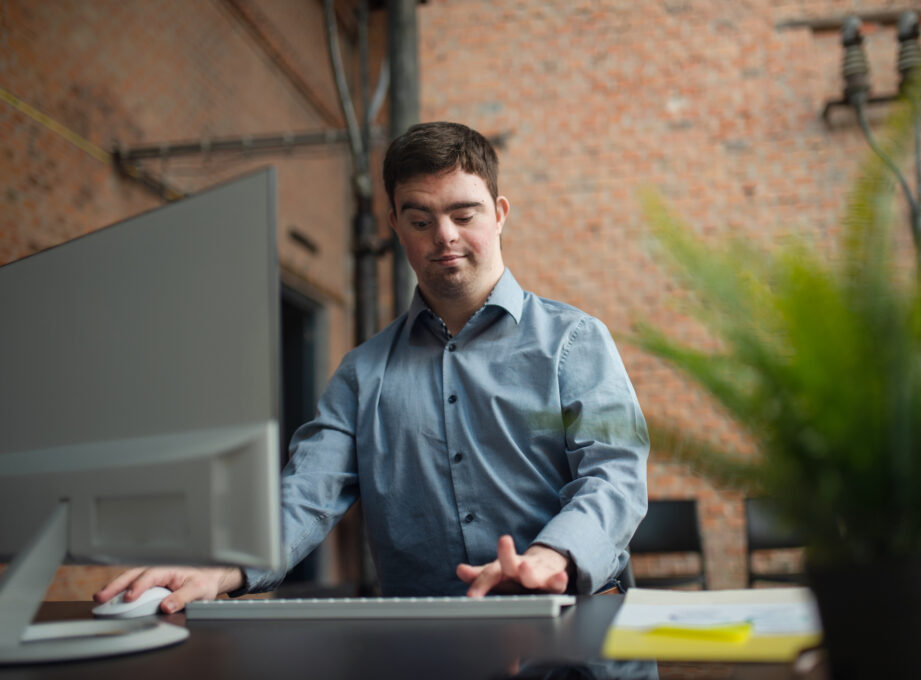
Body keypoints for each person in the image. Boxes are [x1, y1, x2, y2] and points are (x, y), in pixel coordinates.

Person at [96, 121, 649, 613]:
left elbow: (615, 475)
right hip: (430, 654)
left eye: (464, 213)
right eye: (420, 219)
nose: (445, 236)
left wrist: (553, 557)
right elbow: (306, 493)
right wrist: (221, 567)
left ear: (499, 214)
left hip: (580, 634)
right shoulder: (362, 374)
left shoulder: (575, 342)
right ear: (395, 225)